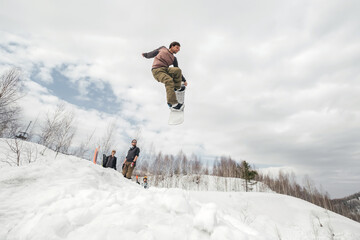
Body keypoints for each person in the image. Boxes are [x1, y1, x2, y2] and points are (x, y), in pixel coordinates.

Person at [142, 41, 188, 111]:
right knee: (169, 81)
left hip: (166, 69)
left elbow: (177, 69)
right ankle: (172, 104)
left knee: (177, 70)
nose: (178, 50)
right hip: (157, 71)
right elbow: (153, 53)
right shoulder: (163, 49)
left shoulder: (174, 58)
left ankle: (176, 87)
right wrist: (146, 55)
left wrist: (184, 80)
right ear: (172, 46)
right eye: (177, 48)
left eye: (179, 49)